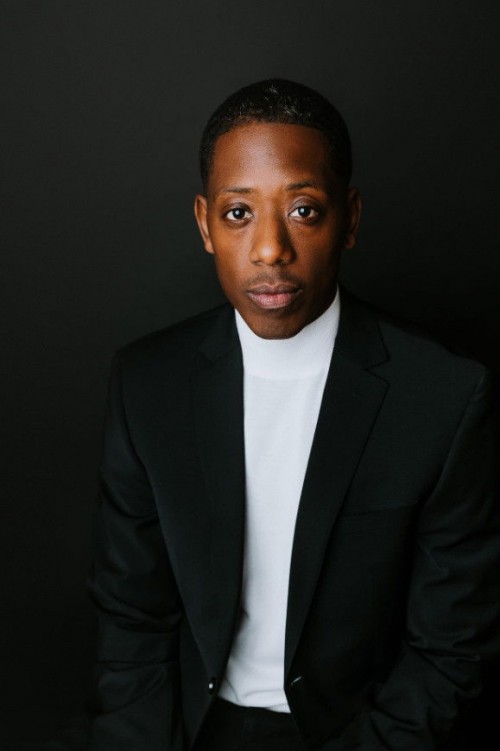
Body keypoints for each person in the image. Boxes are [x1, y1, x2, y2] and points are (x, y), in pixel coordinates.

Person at [87, 79, 499, 750]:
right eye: (238, 213)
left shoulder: (444, 395)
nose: (271, 248)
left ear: (350, 218)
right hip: (189, 729)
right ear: (205, 225)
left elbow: (451, 649)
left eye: (304, 209)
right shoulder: (146, 382)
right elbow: (130, 617)